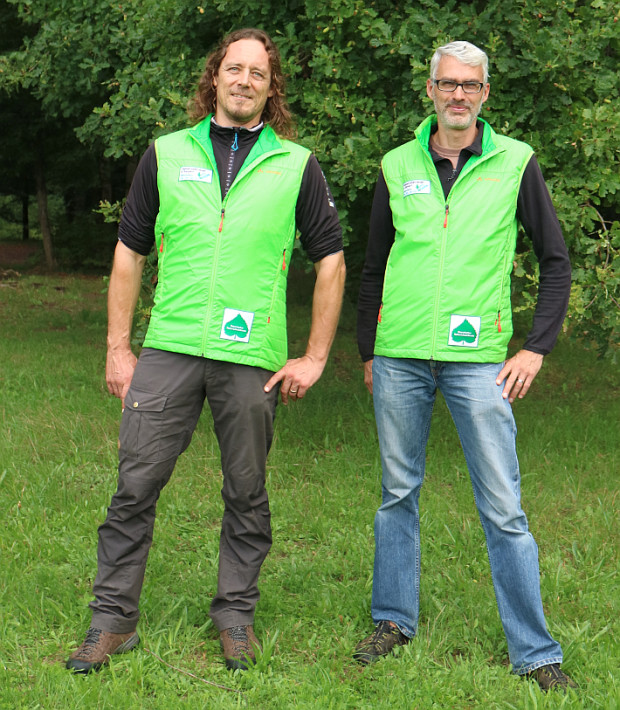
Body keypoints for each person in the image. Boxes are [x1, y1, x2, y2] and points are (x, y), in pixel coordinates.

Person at [66, 28, 346, 674]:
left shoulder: (296, 165)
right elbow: (129, 254)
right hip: (169, 347)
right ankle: (112, 621)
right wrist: (117, 347)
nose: (244, 80)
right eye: (234, 68)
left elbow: (330, 260)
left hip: (252, 358)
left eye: (258, 72)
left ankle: (235, 618)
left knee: (247, 492)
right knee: (134, 486)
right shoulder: (164, 155)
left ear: (271, 87)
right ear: (214, 78)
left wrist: (315, 355)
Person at [354, 41, 575, 693]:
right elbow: (373, 266)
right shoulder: (397, 165)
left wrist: (536, 346)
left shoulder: (516, 164)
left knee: (503, 506)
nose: (458, 95)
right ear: (429, 90)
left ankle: (535, 651)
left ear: (485, 94)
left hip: (481, 362)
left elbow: (556, 261)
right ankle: (393, 620)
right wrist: (369, 350)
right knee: (398, 493)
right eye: (447, 84)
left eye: (469, 86)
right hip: (399, 358)